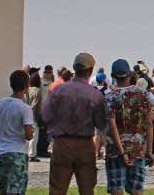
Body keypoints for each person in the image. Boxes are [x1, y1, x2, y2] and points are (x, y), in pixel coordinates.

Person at [43, 52, 108, 195]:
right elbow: (101, 124)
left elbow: (46, 116)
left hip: (61, 144)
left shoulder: (58, 90)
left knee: (57, 190)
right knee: (87, 189)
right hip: (85, 145)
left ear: (74, 68)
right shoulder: (95, 95)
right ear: (91, 71)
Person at [104, 59, 154, 195]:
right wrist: (149, 150)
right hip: (138, 148)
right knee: (136, 190)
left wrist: (122, 152)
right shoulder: (143, 94)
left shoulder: (110, 97)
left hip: (115, 150)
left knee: (117, 189)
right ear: (129, 75)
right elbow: (149, 123)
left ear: (113, 76)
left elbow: (112, 125)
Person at [0, 70, 35, 195]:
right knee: (16, 189)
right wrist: (28, 131)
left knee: (3, 189)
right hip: (17, 152)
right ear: (27, 86)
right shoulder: (25, 108)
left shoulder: (0, 103)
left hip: (0, 152)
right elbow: (28, 135)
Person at [23, 71, 43, 162]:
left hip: (24, 115)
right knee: (34, 137)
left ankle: (26, 153)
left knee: (26, 136)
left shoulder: (27, 90)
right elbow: (34, 106)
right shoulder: (38, 91)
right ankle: (32, 155)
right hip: (33, 117)